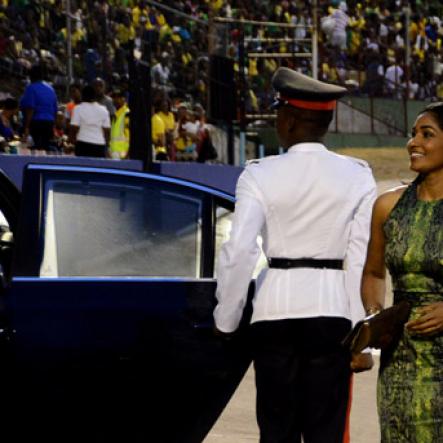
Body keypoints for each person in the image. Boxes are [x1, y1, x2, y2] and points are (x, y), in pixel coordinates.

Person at [213, 67, 377, 443]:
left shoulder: (259, 174)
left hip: (274, 314)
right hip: (333, 316)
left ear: (286, 120)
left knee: (276, 431)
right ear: (325, 122)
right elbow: (360, 259)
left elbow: (239, 252)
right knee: (326, 432)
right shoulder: (357, 175)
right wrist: (360, 338)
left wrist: (226, 319)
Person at [361, 102, 443, 442]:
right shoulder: (387, 206)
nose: (414, 143)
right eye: (412, 135)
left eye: (427, 134)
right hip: (402, 362)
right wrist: (376, 316)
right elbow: (374, 273)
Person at [20, 64, 58, 153]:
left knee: (35, 150)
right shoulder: (51, 89)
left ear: (31, 76)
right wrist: (53, 126)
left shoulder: (31, 88)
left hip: (37, 123)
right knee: (45, 149)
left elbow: (30, 109)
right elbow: (55, 110)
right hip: (49, 123)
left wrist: (26, 127)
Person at [69, 85, 110, 158]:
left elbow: (73, 129)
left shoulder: (78, 108)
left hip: (82, 144)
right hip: (99, 145)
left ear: (82, 96)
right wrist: (106, 146)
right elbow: (107, 131)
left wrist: (72, 143)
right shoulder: (104, 110)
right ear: (95, 96)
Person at [110, 89, 130, 159]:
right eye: (113, 98)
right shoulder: (116, 115)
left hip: (123, 154)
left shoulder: (127, 114)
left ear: (123, 99)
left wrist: (128, 154)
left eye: (117, 98)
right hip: (115, 153)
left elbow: (130, 136)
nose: (115, 100)